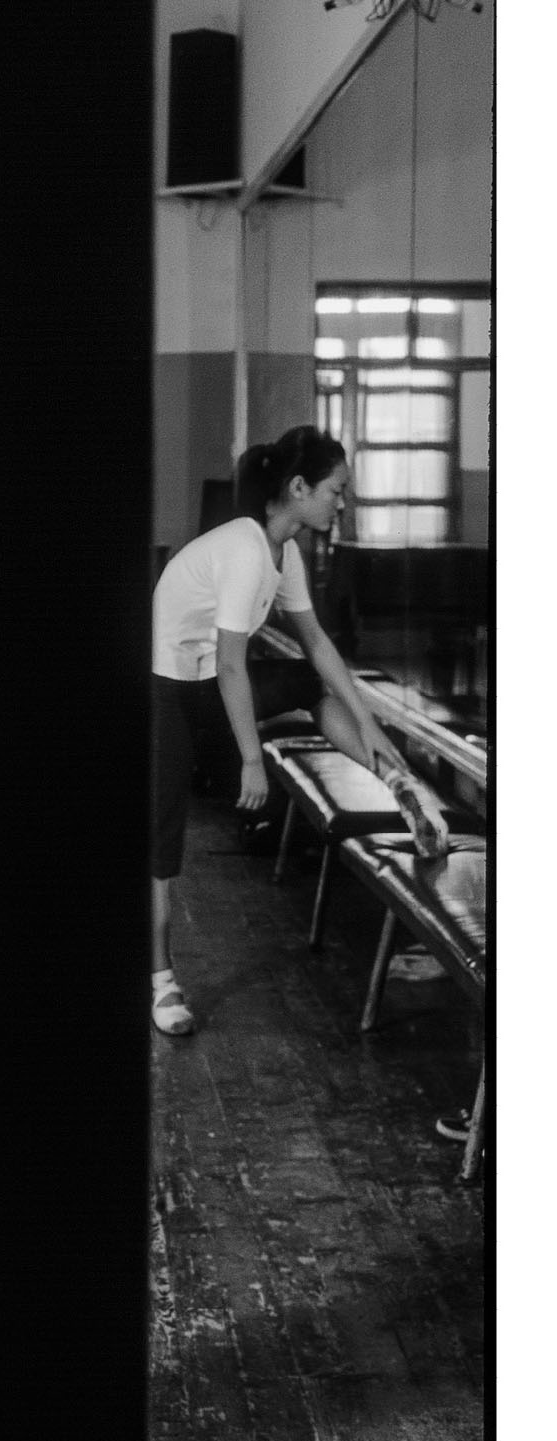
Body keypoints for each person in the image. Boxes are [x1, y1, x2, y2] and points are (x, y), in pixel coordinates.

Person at [150, 425, 449, 1038]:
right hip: (164, 693)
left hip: (207, 683)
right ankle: (161, 980)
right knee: (160, 839)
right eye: (336, 491)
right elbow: (233, 665)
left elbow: (317, 644)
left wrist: (372, 730)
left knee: (312, 686)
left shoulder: (282, 551)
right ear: (298, 488)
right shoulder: (244, 549)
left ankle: (396, 781)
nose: (342, 504)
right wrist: (251, 759)